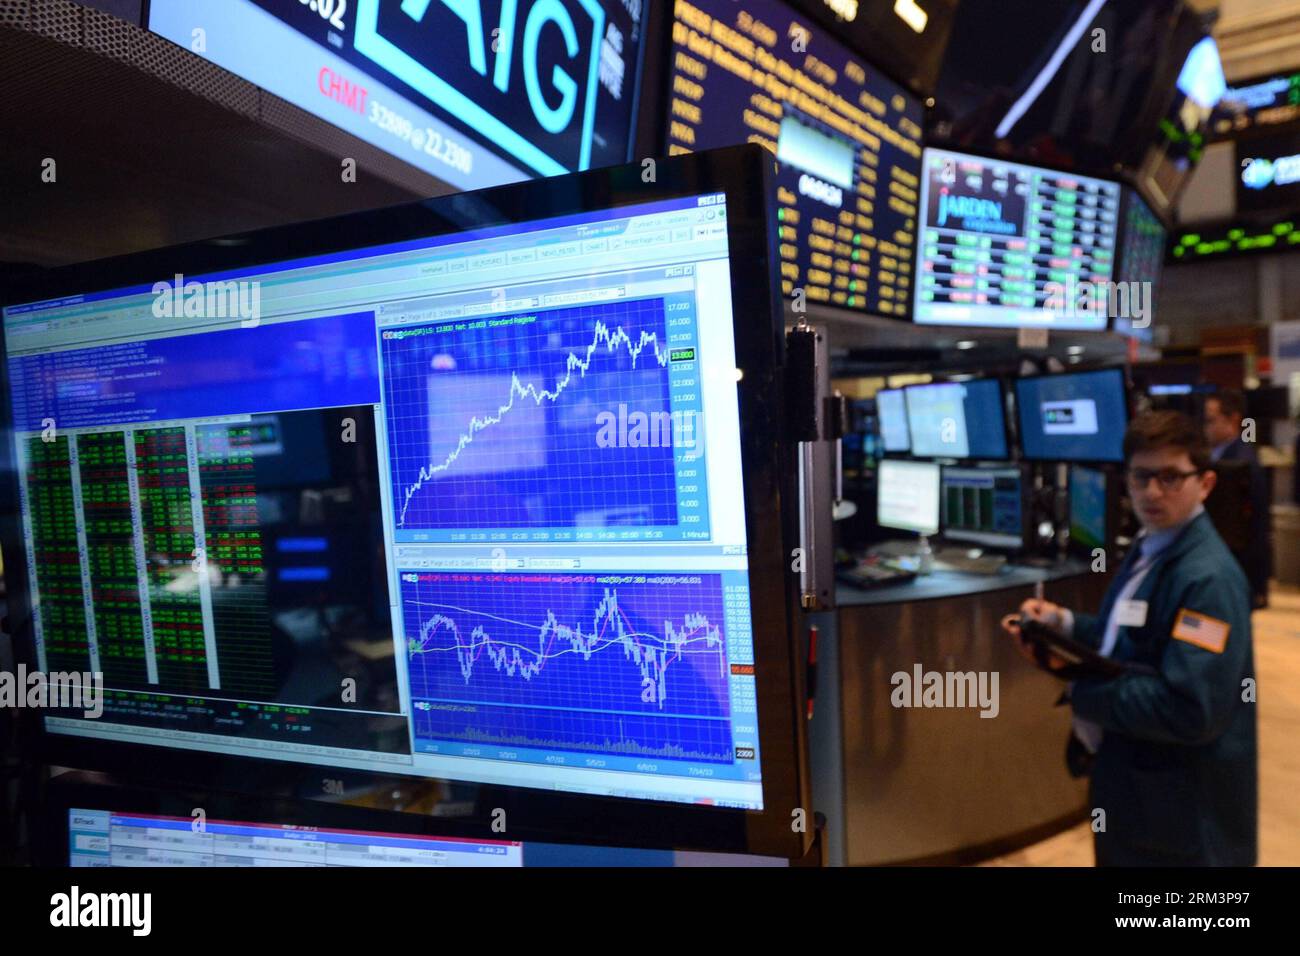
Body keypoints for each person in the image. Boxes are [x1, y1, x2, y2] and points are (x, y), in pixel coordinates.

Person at [1002, 411, 1257, 866]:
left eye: (1170, 477)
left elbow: (1189, 710)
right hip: (1136, 793)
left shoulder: (1207, 581)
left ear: (1207, 483)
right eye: (1142, 477)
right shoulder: (1152, 543)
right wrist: (1062, 625)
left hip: (1179, 817)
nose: (1152, 492)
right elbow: (1130, 639)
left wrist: (1081, 689)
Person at [1204, 388, 1272, 607]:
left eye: (1211, 420)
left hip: (1236, 566)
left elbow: (1257, 525)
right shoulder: (1214, 456)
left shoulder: (1242, 463)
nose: (1205, 427)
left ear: (1233, 419)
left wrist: (1258, 584)